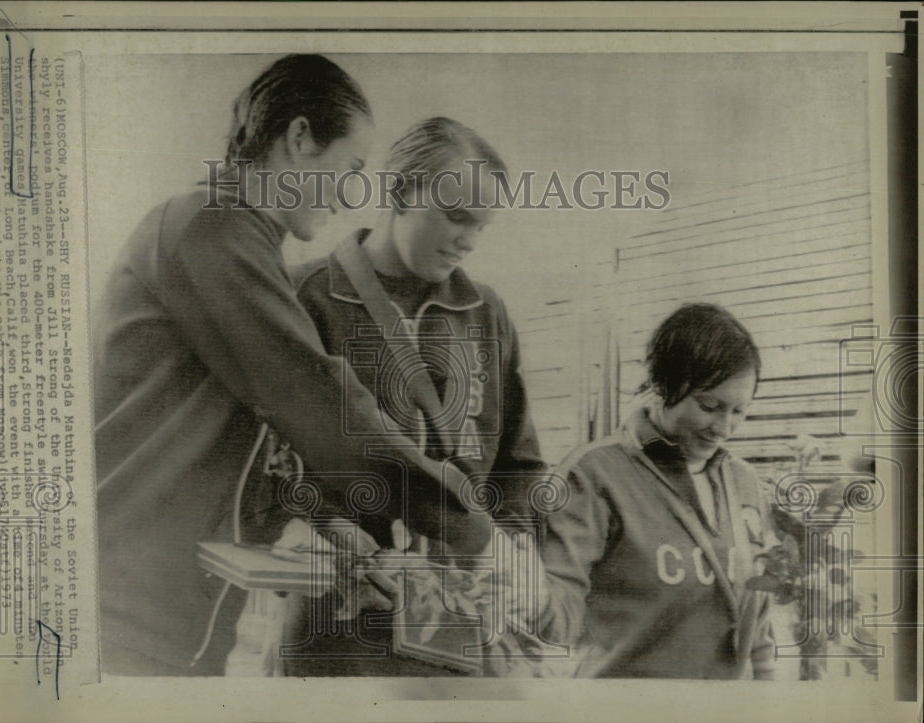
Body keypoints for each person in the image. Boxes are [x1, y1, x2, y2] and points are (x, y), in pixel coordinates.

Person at [94, 56, 491, 677]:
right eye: (350, 169)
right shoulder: (212, 226)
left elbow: (258, 450)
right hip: (130, 615)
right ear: (300, 137)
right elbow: (320, 403)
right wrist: (476, 536)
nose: (347, 194)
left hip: (172, 614)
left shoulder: (233, 238)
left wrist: (337, 529)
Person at [286, 117, 547, 675]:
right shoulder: (305, 300)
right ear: (399, 192)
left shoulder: (486, 313)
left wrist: (511, 557)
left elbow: (518, 464)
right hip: (349, 625)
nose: (468, 241)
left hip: (465, 627)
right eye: (455, 217)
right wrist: (329, 539)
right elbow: (274, 472)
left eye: (482, 226)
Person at [537, 302, 776, 679]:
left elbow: (759, 625)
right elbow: (553, 618)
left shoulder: (744, 482)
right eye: (709, 405)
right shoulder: (594, 475)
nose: (723, 427)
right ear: (664, 386)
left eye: (739, 411)